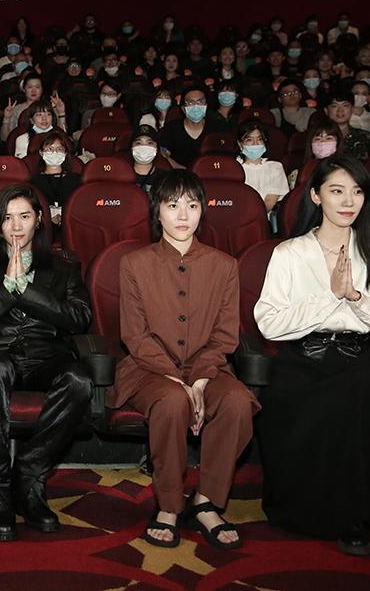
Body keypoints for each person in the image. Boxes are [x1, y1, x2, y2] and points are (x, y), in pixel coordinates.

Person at [254, 155, 370, 556]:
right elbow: (269, 323)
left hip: (359, 355)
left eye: (357, 191)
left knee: (361, 385)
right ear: (316, 196)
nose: (348, 201)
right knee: (298, 391)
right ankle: (307, 508)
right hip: (303, 356)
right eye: (336, 190)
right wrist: (329, 296)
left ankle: (355, 514)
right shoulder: (290, 253)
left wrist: (356, 297)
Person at [113, 170, 259, 550]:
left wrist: (201, 378)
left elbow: (225, 335)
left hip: (208, 367)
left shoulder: (224, 265)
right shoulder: (134, 263)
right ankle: (169, 504)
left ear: (202, 212)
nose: (182, 215)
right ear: (157, 211)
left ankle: (206, 501)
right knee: (172, 400)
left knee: (238, 401)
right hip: (149, 369)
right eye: (172, 205)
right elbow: (135, 336)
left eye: (192, 206)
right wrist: (177, 379)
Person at [0, 183, 94, 541]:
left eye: (24, 216)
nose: (16, 226)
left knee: (79, 380)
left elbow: (80, 318)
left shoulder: (64, 267)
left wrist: (27, 291)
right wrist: (7, 289)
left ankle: (30, 475)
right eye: (7, 218)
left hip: (46, 356)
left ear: (39, 221)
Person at [160, 87, 220, 169]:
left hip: (211, 172)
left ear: (206, 106)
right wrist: (186, 171)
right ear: (183, 108)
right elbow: (164, 155)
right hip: (179, 173)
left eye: (200, 102)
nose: (196, 106)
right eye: (191, 103)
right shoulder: (172, 128)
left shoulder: (217, 127)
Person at [30, 132, 81, 226]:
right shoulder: (34, 182)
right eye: (50, 149)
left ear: (65, 153)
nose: (55, 152)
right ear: (41, 153)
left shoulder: (76, 180)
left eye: (59, 149)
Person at [236, 121, 288, 214]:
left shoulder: (275, 167)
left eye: (259, 139)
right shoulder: (233, 168)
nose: (255, 144)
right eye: (249, 140)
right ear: (240, 144)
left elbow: (269, 201)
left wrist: (255, 218)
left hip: (263, 217)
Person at [325, 91, 370, 161]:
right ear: (326, 111)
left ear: (352, 109)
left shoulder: (365, 136)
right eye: (334, 106)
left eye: (345, 105)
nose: (340, 110)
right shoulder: (320, 138)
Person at [129, 125, 163, 192]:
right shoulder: (122, 175)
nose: (144, 147)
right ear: (131, 147)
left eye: (150, 143)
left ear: (157, 148)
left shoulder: (164, 178)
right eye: (138, 143)